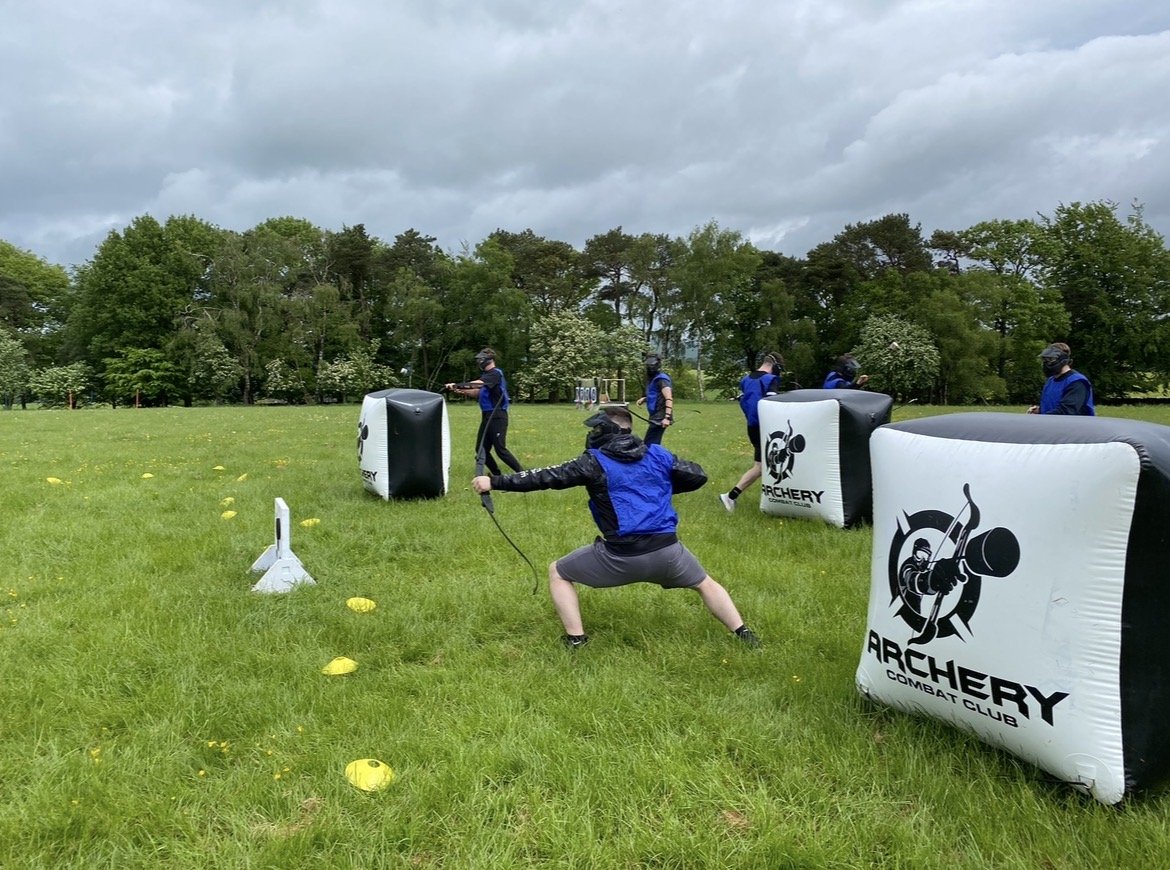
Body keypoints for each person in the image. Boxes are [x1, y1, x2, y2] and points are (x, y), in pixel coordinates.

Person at [471, 405, 760, 650]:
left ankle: (576, 640)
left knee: (558, 572)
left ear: (607, 431)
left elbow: (546, 476)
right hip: (670, 554)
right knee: (705, 583)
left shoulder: (593, 462)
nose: (593, 433)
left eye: (597, 428)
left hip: (620, 558)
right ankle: (744, 633)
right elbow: (697, 475)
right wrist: (656, 485)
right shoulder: (657, 454)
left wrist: (493, 481)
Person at [719, 352, 784, 512]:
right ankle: (730, 497)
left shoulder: (746, 380)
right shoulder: (770, 380)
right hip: (766, 427)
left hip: (752, 426)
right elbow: (775, 406)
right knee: (763, 466)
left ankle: (733, 497)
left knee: (763, 465)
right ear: (775, 366)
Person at [445, 348, 524, 474]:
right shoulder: (487, 377)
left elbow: (477, 385)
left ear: (489, 360)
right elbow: (477, 392)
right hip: (487, 415)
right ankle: (497, 475)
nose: (479, 362)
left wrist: (457, 385)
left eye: (481, 359)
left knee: (500, 450)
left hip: (497, 415)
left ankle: (523, 474)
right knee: (481, 449)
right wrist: (461, 390)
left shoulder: (495, 374)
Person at [1027, 342, 1095, 416]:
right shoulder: (1051, 380)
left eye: (1051, 359)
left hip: (1072, 423)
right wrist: (1040, 411)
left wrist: (1041, 417)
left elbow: (1067, 411)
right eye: (1045, 359)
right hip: (1052, 422)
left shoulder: (1077, 382)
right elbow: (1051, 406)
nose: (1046, 363)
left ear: (1063, 360)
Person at [636, 353, 673, 445]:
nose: (650, 368)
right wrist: (645, 399)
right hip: (656, 415)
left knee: (650, 444)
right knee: (652, 443)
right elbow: (656, 394)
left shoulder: (662, 379)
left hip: (660, 416)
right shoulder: (654, 379)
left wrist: (667, 418)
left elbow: (668, 398)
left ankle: (655, 454)